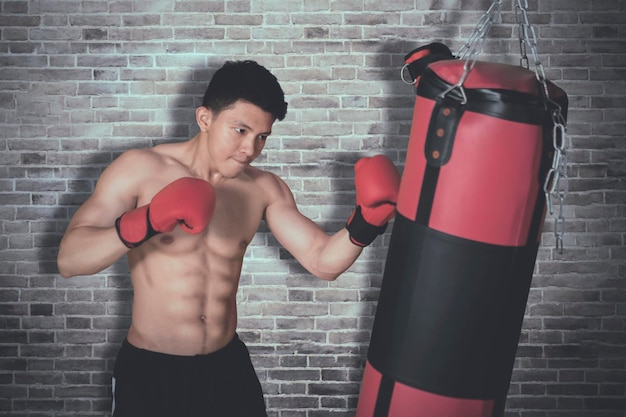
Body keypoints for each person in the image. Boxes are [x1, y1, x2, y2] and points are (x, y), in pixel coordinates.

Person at [57, 60, 400, 417]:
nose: (250, 148)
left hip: (227, 369)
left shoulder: (263, 189)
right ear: (205, 118)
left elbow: (322, 261)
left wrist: (367, 223)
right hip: (151, 371)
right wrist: (147, 220)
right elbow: (69, 259)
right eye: (240, 130)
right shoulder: (140, 169)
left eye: (262, 136)